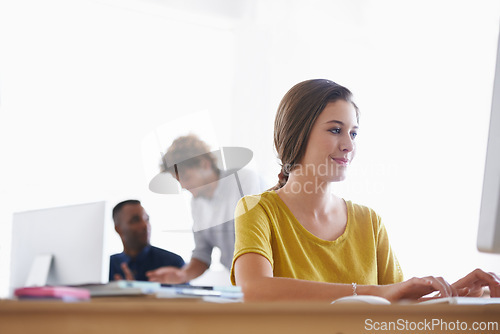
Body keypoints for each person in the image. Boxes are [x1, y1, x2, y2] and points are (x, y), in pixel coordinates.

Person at [231, 79, 500, 302]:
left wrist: (458, 295)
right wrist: (370, 292)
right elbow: (253, 289)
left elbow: (400, 306)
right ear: (297, 134)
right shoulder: (257, 210)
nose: (349, 145)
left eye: (354, 133)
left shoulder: (369, 222)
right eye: (336, 130)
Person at [145, 134, 262, 284]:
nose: (183, 186)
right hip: (243, 283)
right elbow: (203, 253)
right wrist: (183, 275)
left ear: (205, 164)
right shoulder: (197, 204)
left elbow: (255, 237)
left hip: (271, 277)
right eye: (178, 181)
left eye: (186, 177)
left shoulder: (244, 180)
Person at [110, 199, 185, 281]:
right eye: (135, 220)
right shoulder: (108, 266)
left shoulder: (173, 264)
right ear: (118, 229)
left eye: (147, 219)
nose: (145, 225)